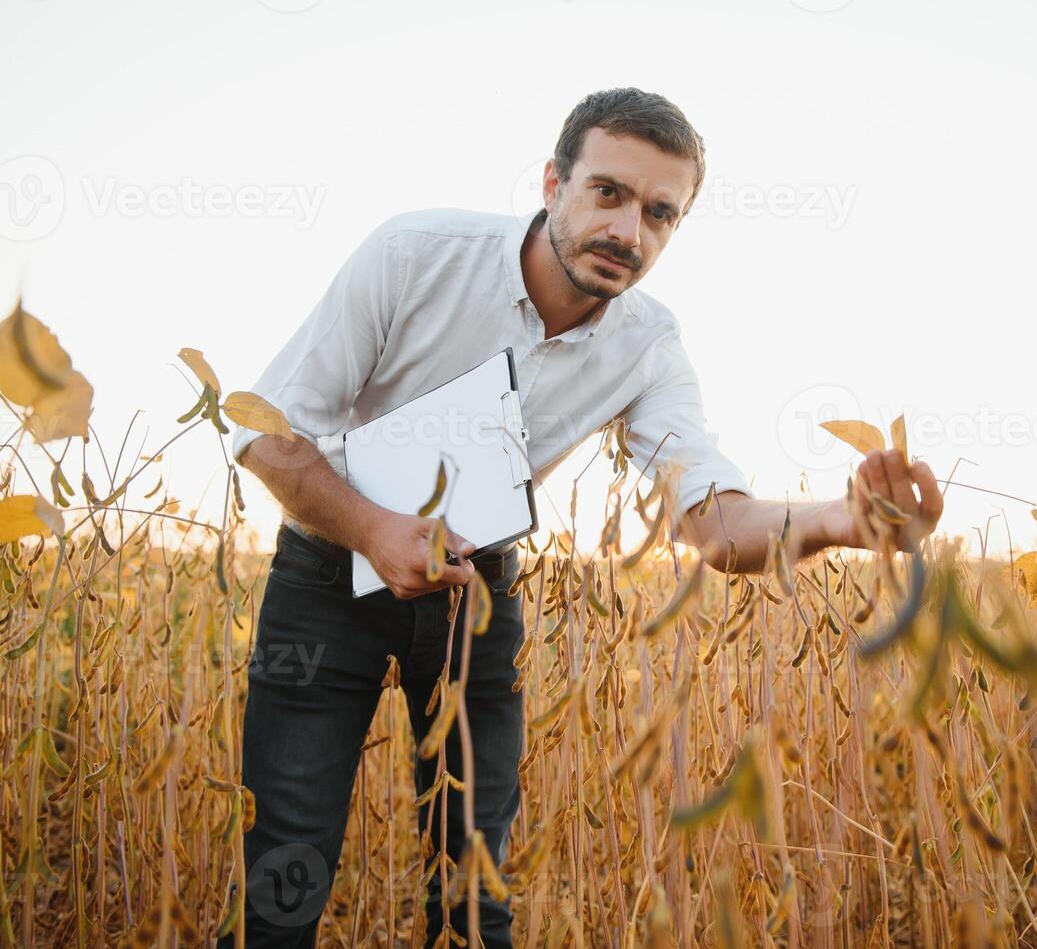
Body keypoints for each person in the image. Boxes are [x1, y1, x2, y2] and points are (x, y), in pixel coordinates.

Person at [220, 86, 945, 948]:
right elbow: (263, 429)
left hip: (475, 601)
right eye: (609, 193)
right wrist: (378, 530)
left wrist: (837, 519)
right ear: (553, 181)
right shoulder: (417, 253)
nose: (629, 233)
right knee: (284, 882)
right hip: (325, 577)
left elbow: (713, 520)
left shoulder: (649, 345)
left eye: (660, 214)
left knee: (475, 896)